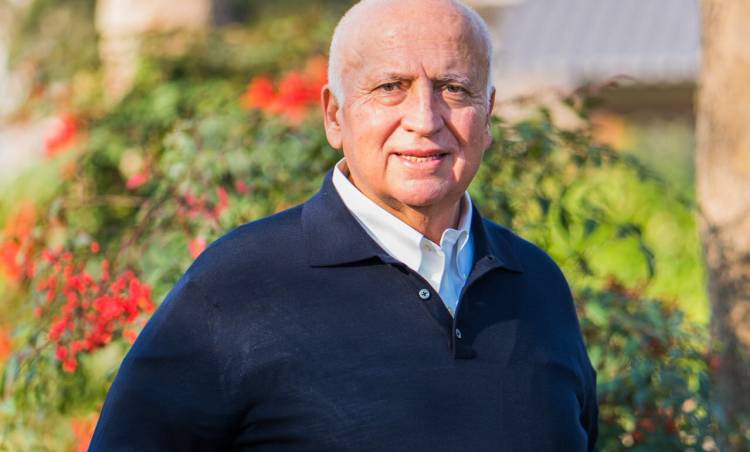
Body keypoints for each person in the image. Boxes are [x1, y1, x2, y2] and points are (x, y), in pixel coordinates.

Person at [90, 0, 599, 450]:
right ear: (335, 115)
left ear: (487, 115)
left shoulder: (537, 285)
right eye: (391, 87)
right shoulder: (236, 285)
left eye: (454, 88)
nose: (425, 119)